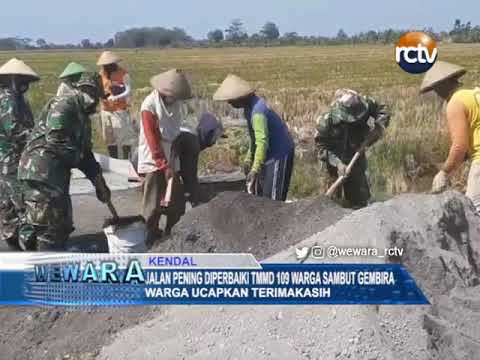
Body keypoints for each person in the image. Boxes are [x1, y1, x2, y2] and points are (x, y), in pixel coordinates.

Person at [17, 73, 111, 251]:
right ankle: (39, 269)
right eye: (96, 97)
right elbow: (56, 139)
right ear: (87, 92)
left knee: (61, 224)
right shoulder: (64, 104)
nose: (97, 104)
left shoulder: (83, 118)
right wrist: (80, 158)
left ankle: (48, 261)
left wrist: (99, 181)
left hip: (56, 177)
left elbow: (86, 154)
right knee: (47, 226)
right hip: (41, 172)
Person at [213, 74, 295, 201]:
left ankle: (274, 220)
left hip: (279, 153)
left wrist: (255, 168)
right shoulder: (249, 108)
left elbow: (262, 142)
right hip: (269, 153)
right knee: (261, 192)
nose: (229, 103)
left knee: (272, 199)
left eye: (231, 100)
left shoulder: (257, 112)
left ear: (240, 97)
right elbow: (254, 138)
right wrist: (248, 159)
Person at [138, 69, 192, 241]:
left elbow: (174, 132)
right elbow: (152, 139)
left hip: (170, 157)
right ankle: (148, 237)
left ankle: (171, 234)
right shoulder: (149, 106)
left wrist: (172, 163)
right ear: (164, 92)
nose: (175, 99)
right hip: (154, 159)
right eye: (173, 96)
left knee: (176, 202)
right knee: (152, 205)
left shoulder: (174, 105)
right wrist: (163, 165)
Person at [419, 61, 480, 212]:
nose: (436, 92)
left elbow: (460, 146)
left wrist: (444, 173)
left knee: (474, 210)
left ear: (444, 84)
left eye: (436, 88)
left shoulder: (455, 102)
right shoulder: (473, 95)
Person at [315, 89, 390, 209]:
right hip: (333, 162)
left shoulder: (364, 102)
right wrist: (338, 164)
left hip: (356, 154)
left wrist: (378, 127)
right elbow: (321, 148)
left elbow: (382, 111)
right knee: (332, 205)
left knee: (360, 202)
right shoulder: (326, 121)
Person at [0, 58, 39, 250]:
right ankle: (26, 245)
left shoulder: (16, 98)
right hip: (11, 160)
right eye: (22, 80)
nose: (25, 85)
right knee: (20, 201)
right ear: (12, 79)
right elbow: (14, 129)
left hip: (9, 159)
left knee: (7, 202)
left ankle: (13, 242)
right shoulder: (7, 99)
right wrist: (38, 138)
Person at [176, 112, 226, 206]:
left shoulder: (187, 133)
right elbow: (190, 175)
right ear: (208, 133)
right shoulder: (192, 141)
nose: (215, 143)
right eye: (215, 137)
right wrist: (195, 201)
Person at [97, 51, 136, 160]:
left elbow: (128, 90)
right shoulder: (101, 74)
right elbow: (101, 89)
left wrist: (118, 96)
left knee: (124, 138)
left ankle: (126, 161)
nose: (105, 67)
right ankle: (114, 160)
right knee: (109, 138)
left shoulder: (123, 74)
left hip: (120, 110)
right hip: (105, 110)